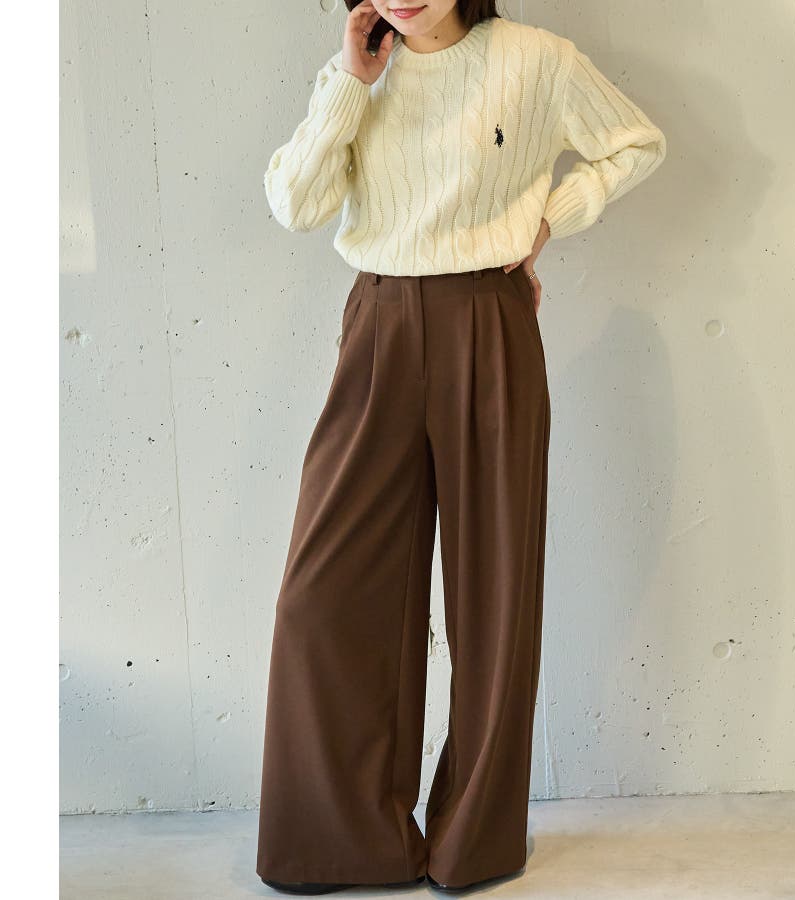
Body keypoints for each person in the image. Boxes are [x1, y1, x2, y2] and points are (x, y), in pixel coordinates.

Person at [256, 1, 666, 895]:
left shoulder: (535, 58)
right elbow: (295, 203)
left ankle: (472, 843)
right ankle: (344, 842)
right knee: (320, 599)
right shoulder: (362, 71)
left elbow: (636, 143)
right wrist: (349, 84)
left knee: (495, 591)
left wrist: (548, 216)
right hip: (379, 326)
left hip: (489, 319)